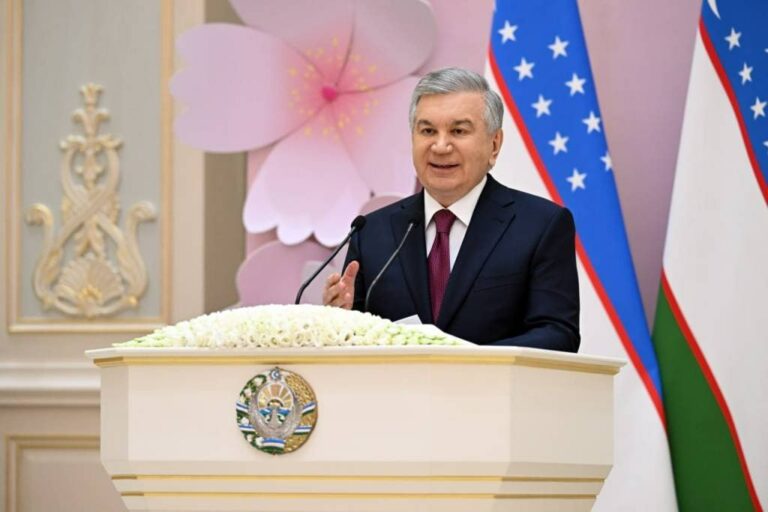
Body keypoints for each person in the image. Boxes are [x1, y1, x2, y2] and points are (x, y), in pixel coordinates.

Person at [322, 67, 579, 352]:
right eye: (428, 131)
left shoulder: (540, 225)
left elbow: (558, 335)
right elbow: (354, 343)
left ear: (494, 145)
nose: (441, 146)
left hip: (491, 381)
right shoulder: (371, 232)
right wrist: (340, 321)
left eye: (458, 131)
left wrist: (468, 362)